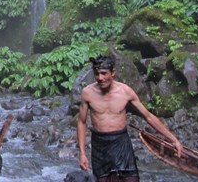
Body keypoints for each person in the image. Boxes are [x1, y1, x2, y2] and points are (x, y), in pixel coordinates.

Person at [77, 54, 182, 182]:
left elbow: (148, 116)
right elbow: (82, 122)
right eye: (96, 74)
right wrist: (82, 153)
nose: (100, 78)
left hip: (121, 142)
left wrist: (172, 139)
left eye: (104, 73)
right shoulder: (88, 93)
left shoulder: (125, 92)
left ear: (113, 72)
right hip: (100, 145)